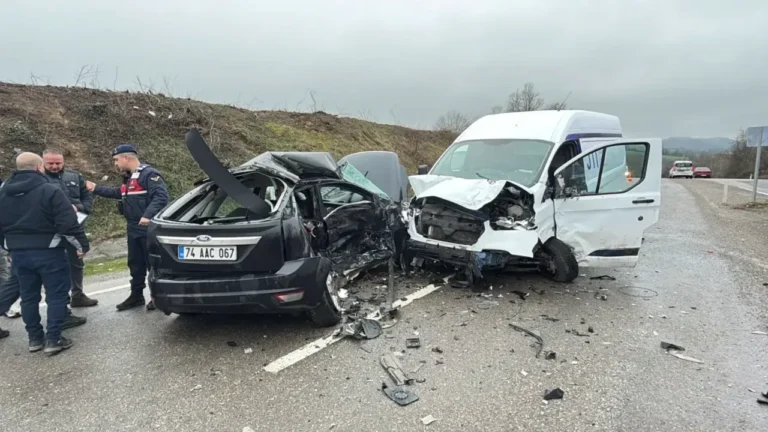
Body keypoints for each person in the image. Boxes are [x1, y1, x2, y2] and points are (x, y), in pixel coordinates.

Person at [0, 153, 90, 355]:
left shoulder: (3, 192)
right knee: (56, 296)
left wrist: (8, 248)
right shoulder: (50, 190)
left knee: (28, 297)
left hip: (19, 254)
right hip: (49, 251)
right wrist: (82, 245)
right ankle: (54, 339)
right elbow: (67, 223)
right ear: (40, 167)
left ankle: (35, 339)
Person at [86, 144, 169, 311]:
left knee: (152, 264)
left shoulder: (149, 175)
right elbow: (119, 193)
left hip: (146, 228)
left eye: (116, 160)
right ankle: (136, 296)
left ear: (126, 158)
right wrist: (96, 189)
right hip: (132, 228)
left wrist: (147, 216)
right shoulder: (130, 178)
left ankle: (156, 297)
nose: (115, 164)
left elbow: (161, 197)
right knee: (135, 264)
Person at [42, 149, 98, 308]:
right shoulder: (39, 179)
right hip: (52, 231)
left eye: (58, 163)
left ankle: (78, 295)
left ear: (63, 162)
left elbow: (86, 195)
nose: (54, 166)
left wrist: (83, 208)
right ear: (43, 162)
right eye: (50, 163)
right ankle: (61, 300)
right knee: (55, 266)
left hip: (75, 227)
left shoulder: (74, 176)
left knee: (77, 262)